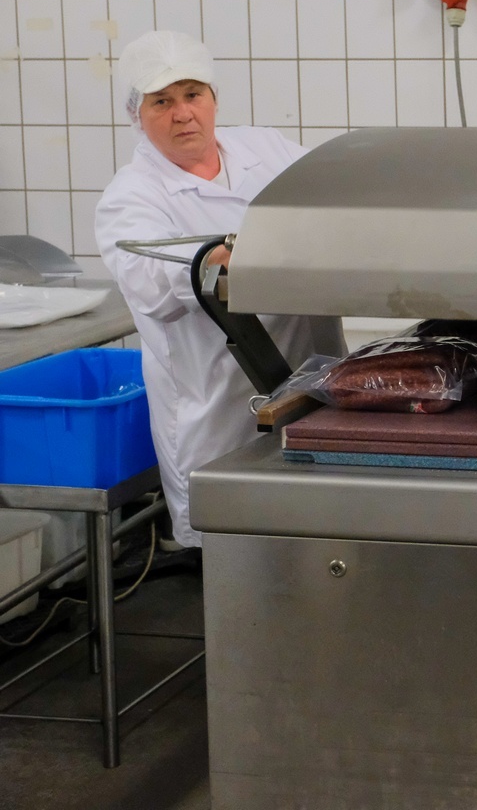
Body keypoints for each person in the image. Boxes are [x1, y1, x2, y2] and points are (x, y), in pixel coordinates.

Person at [95, 32, 345, 549]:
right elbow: (153, 287)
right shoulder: (131, 197)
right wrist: (216, 258)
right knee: (236, 547)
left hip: (313, 378)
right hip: (218, 405)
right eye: (161, 101)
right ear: (136, 114)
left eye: (193, 94)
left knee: (317, 531)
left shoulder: (264, 148)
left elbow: (334, 195)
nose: (182, 113)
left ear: (213, 98)